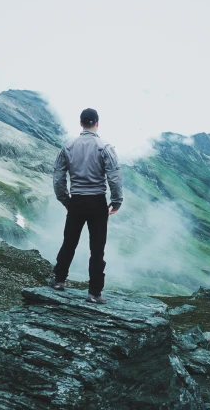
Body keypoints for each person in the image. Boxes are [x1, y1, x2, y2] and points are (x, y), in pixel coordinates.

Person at [51, 108, 123, 304]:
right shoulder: (105, 147)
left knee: (69, 242)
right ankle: (94, 293)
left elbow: (58, 178)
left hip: (77, 200)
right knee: (97, 249)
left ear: (81, 123)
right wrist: (116, 201)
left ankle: (59, 280)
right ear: (97, 123)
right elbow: (114, 178)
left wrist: (66, 200)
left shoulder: (68, 147)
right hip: (98, 202)